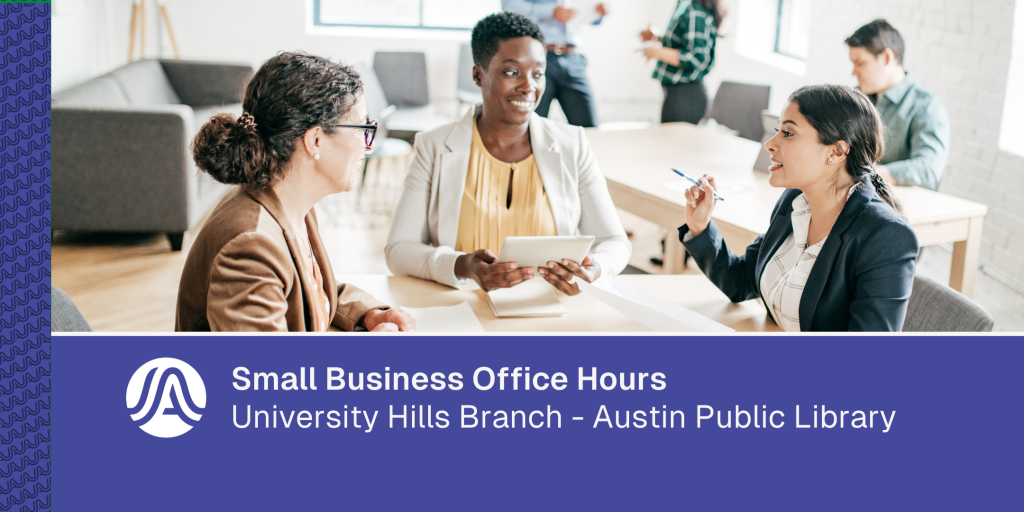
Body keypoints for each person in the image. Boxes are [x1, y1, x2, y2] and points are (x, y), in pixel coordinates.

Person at [385, 12, 630, 296]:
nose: (528, 87)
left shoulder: (571, 144)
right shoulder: (434, 146)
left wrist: (595, 268)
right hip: (464, 307)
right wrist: (462, 265)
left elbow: (614, 242)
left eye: (538, 74)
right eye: (512, 72)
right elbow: (398, 250)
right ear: (478, 75)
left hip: (549, 307)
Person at [176, 52, 415, 332]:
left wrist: (370, 313)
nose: (368, 145)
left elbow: (310, 290)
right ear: (315, 140)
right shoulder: (250, 246)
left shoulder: (289, 200)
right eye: (362, 128)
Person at [679, 85, 919, 332]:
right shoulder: (795, 200)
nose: (770, 144)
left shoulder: (886, 238)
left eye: (788, 133)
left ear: (836, 152)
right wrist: (700, 228)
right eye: (777, 131)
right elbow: (741, 282)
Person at [846, 19, 950, 190]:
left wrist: (864, 174)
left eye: (860, 63)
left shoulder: (927, 107)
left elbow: (928, 170)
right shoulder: (857, 97)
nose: (854, 72)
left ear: (887, 57)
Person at [502, 0, 609, 127]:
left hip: (572, 57)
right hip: (538, 57)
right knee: (532, 126)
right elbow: (510, 7)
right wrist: (551, 11)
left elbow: (585, 13)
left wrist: (597, 12)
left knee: (589, 127)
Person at [640, 0, 725, 124]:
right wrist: (658, 38)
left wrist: (656, 52)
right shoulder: (685, 3)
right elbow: (684, 42)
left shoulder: (695, 11)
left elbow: (697, 58)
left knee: (669, 136)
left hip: (686, 95)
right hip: (676, 92)